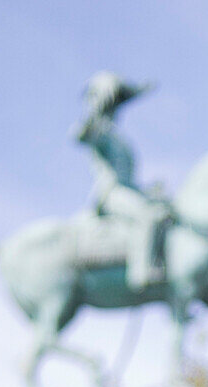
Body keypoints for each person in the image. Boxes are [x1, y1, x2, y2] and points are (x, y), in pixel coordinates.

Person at [75, 71, 174, 290]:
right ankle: (141, 271)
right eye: (113, 102)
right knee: (148, 215)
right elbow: (82, 135)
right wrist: (95, 108)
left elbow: (128, 178)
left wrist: (148, 191)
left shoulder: (118, 136)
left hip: (128, 190)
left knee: (164, 210)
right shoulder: (102, 131)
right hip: (111, 194)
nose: (116, 108)